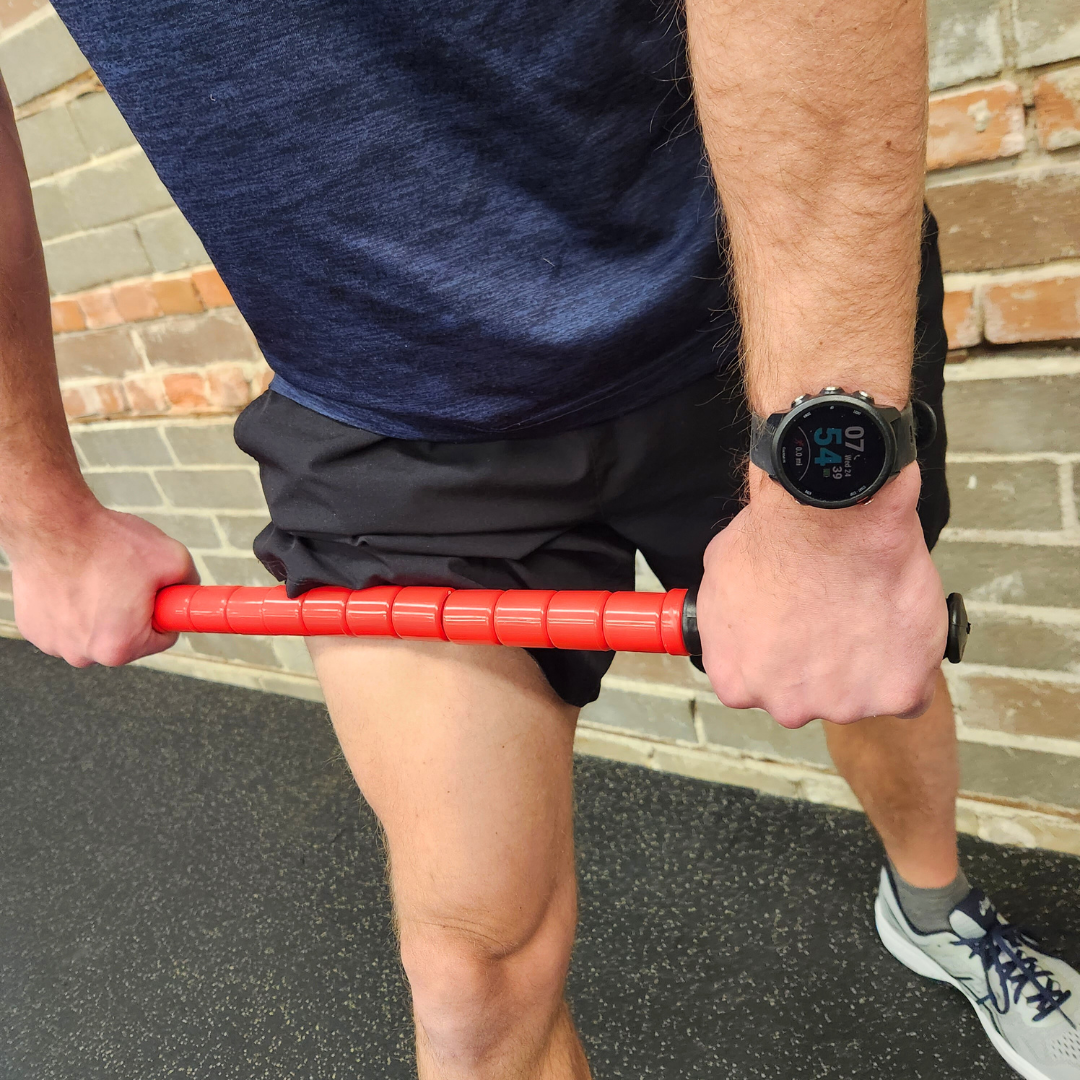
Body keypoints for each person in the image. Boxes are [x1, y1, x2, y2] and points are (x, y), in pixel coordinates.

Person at [1, 0, 1077, 1076]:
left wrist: (831, 518)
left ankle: (936, 909)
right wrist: (41, 517)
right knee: (471, 983)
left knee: (874, 674)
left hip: (747, 318)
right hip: (385, 412)